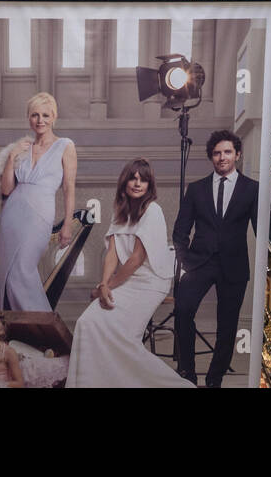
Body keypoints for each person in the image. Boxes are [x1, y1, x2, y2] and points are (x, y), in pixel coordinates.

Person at [67, 160, 193, 388]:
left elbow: (135, 259)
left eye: (142, 179)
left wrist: (108, 287)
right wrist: (103, 284)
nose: (137, 183)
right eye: (132, 178)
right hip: (125, 281)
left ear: (149, 184)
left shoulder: (153, 211)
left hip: (151, 282)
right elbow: (112, 254)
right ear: (124, 181)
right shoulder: (120, 211)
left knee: (124, 339)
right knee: (88, 322)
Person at [172, 129, 259, 388]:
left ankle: (214, 379)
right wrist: (185, 259)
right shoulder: (196, 189)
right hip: (199, 263)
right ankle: (187, 371)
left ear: (238, 154)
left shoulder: (252, 189)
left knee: (227, 326)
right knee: (183, 310)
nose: (222, 157)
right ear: (211, 156)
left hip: (234, 266)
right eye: (217, 153)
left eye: (228, 152)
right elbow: (180, 230)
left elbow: (261, 229)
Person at [0, 93, 78, 311]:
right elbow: (6, 189)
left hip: (40, 213)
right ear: (28, 118)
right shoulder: (22, 147)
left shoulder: (65, 146)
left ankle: (41, 329)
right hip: (12, 215)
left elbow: (69, 188)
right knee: (9, 274)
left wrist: (67, 224)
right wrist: (11, 158)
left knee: (22, 270)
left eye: (45, 115)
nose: (40, 120)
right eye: (34, 115)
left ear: (54, 117)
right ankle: (18, 331)